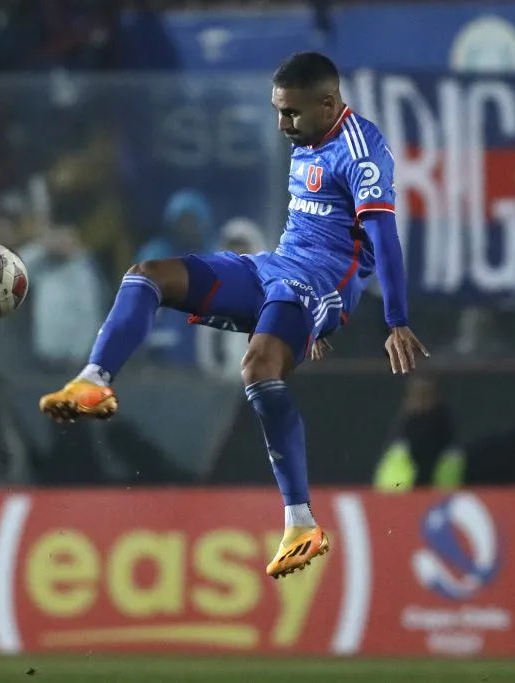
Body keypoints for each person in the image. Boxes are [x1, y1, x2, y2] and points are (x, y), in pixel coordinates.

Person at [38, 51, 429, 580]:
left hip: (317, 285)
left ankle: (300, 522)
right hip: (278, 269)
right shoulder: (306, 136)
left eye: (291, 113)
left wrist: (396, 318)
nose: (282, 124)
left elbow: (382, 236)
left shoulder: (360, 150)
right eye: (276, 111)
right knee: (148, 274)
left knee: (257, 368)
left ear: (329, 103)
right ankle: (94, 381)